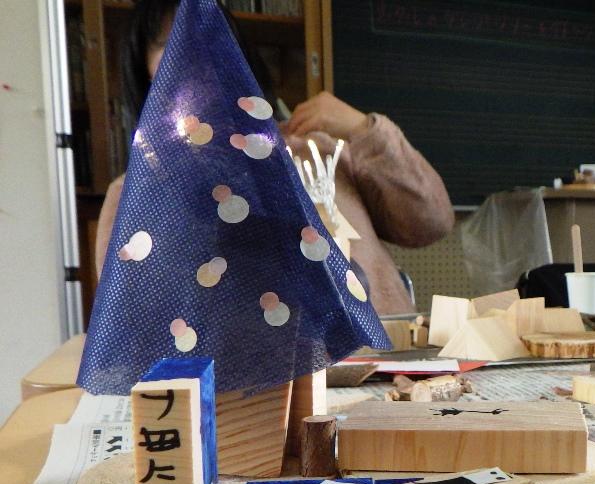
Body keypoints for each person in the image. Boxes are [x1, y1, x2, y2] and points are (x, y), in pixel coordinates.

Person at [94, 0, 453, 315]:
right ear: (146, 72)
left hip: (389, 368)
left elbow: (431, 223)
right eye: (170, 45)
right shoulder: (136, 193)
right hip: (262, 388)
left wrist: (364, 130)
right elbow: (135, 320)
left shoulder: (317, 147)